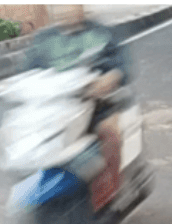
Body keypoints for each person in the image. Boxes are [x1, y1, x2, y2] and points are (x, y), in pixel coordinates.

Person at [25, 5, 131, 212]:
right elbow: (27, 72)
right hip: (55, 108)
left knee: (109, 133)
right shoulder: (43, 40)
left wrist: (110, 77)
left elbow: (122, 67)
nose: (65, 9)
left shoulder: (101, 33)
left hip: (98, 105)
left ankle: (110, 194)